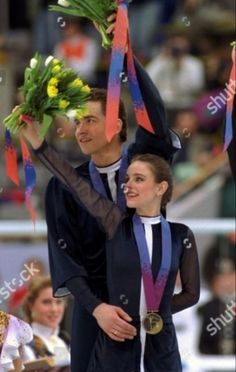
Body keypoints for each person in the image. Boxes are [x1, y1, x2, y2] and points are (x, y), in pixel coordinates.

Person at [19, 122, 200, 371]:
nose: (128, 185)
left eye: (139, 179)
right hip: (119, 338)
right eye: (127, 179)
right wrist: (39, 144)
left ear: (161, 187)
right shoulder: (115, 222)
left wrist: (154, 311)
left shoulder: (181, 235)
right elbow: (72, 181)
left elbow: (192, 294)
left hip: (162, 341)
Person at [42, 57, 181, 371]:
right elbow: (66, 260)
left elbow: (154, 113)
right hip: (95, 311)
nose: (80, 130)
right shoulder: (63, 186)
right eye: (77, 122)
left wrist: (127, 55)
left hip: (148, 300)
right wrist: (97, 309)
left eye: (90, 120)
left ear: (116, 125)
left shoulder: (146, 163)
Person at [22, 276, 70, 369]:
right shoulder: (22, 344)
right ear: (31, 305)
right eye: (46, 302)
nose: (54, 309)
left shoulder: (64, 339)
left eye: (59, 302)